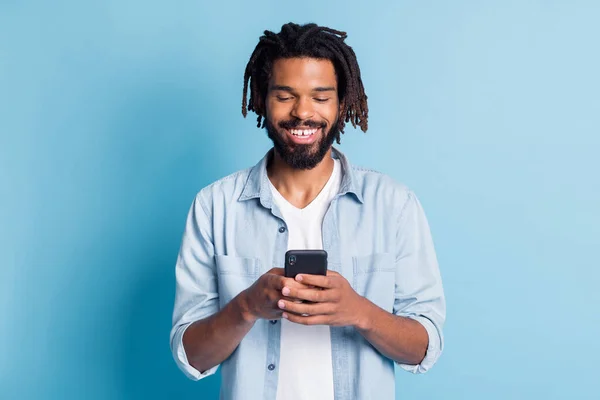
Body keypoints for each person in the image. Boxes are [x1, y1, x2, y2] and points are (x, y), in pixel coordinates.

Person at [170, 22, 446, 400]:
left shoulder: (393, 205)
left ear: (341, 103)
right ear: (261, 100)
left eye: (320, 96)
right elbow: (192, 357)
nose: (303, 112)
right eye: (285, 96)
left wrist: (359, 311)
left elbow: (425, 347)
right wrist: (247, 306)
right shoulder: (215, 207)